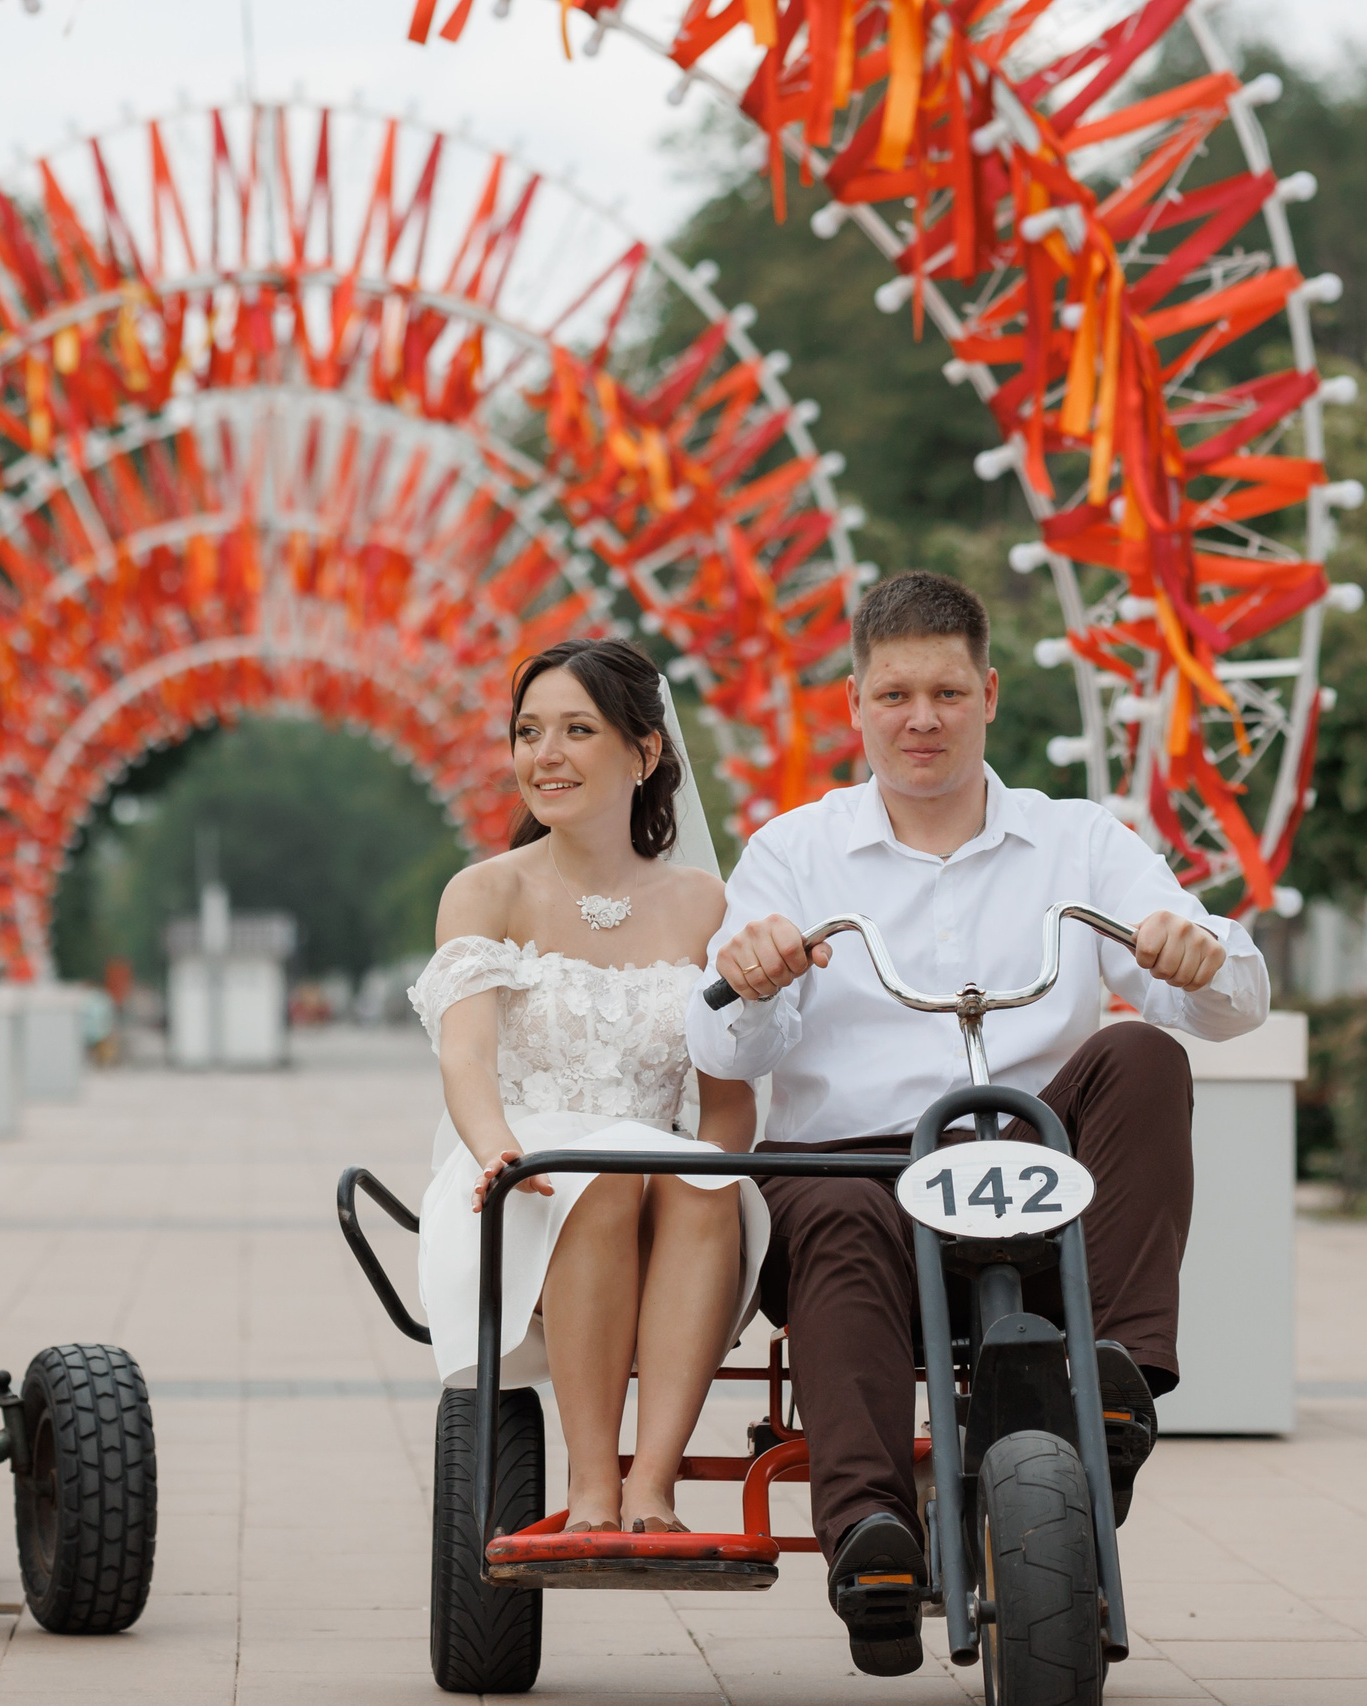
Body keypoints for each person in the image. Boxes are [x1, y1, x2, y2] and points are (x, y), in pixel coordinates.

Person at [686, 572, 1267, 1676]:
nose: (921, 718)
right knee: (839, 1201)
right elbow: (718, 1045)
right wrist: (752, 978)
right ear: (852, 704)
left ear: (989, 693)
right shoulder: (792, 853)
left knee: (1144, 1050)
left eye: (946, 691)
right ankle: (867, 1533)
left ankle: (1115, 1379)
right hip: (856, 1174)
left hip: (1035, 1165)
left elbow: (1227, 998)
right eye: (894, 692)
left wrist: (1201, 955)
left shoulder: (1076, 840)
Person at [412, 639, 771, 1536]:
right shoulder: (486, 891)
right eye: (528, 732)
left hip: (661, 1177)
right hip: (524, 1163)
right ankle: (592, 1484)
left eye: (578, 730)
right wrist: (499, 1146)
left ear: (645, 753)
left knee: (705, 1177)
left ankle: (653, 1485)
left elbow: (727, 1103)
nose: (546, 755)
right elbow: (466, 1053)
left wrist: (717, 1174)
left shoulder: (704, 905)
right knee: (599, 1176)